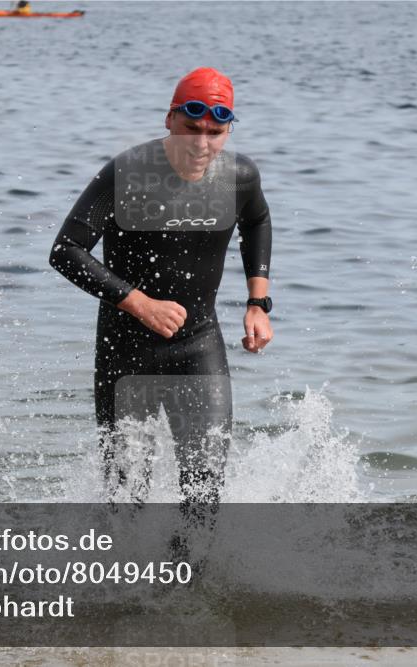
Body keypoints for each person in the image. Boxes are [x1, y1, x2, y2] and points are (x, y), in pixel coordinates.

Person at [49, 67, 273, 523]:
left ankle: (184, 590)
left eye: (216, 132)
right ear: (170, 120)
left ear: (229, 129)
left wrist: (257, 301)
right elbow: (65, 251)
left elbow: (257, 221)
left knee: (205, 491)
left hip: (199, 344)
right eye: (192, 129)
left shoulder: (240, 176)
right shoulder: (127, 173)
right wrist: (139, 303)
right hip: (126, 349)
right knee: (127, 496)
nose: (202, 144)